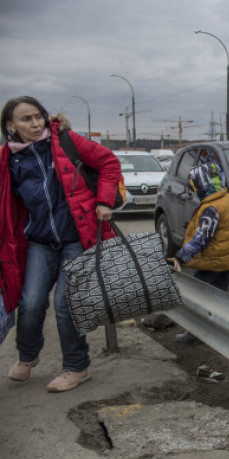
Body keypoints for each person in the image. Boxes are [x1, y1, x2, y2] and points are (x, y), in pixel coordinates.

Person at [0, 96, 123, 392]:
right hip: (39, 242)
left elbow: (108, 161)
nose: (34, 123)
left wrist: (105, 201)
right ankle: (28, 356)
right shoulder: (9, 158)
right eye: (26, 119)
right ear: (10, 125)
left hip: (76, 240)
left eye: (38, 116)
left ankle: (77, 367)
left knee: (65, 304)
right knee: (30, 302)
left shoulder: (66, 141)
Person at [167, 161, 229, 344]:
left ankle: (195, 335)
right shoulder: (226, 199)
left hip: (212, 262)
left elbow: (202, 237)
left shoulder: (211, 208)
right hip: (225, 260)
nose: (194, 189)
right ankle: (217, 332)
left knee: (198, 298)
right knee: (218, 298)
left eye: (195, 184)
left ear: (203, 184)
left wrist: (180, 257)